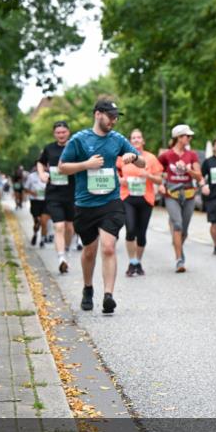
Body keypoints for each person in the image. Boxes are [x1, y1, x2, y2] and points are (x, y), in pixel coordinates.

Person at [56, 99, 144, 314]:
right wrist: (86, 165)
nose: (113, 120)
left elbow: (143, 163)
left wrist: (133, 158)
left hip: (110, 201)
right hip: (85, 203)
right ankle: (88, 289)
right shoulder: (79, 140)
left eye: (116, 116)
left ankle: (108, 296)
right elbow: (62, 167)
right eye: (110, 116)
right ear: (98, 114)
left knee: (108, 247)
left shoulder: (117, 139)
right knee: (89, 251)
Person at [117, 128, 163, 276]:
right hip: (127, 197)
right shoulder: (123, 157)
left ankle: (138, 262)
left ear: (143, 141)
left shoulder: (150, 158)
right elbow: (113, 172)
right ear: (130, 141)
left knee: (141, 233)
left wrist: (148, 175)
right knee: (130, 229)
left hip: (146, 198)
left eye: (139, 138)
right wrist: (120, 180)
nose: (136, 140)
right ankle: (132, 262)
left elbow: (160, 179)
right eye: (133, 138)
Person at [157, 125, 202, 273]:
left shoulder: (192, 155)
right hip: (172, 195)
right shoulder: (166, 155)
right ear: (179, 137)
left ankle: (178, 245)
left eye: (190, 136)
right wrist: (161, 184)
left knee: (184, 231)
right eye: (187, 136)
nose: (189, 138)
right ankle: (179, 260)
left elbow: (199, 175)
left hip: (189, 194)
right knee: (177, 225)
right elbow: (158, 171)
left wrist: (187, 169)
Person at [38, 120, 79, 273]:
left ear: (68, 132)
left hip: (72, 193)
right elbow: (40, 163)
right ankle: (61, 258)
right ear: (54, 134)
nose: (61, 135)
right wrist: (42, 173)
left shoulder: (75, 147)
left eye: (63, 132)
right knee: (58, 226)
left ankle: (66, 250)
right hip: (54, 193)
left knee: (69, 228)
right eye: (58, 133)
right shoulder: (49, 149)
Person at [24, 162, 50, 246]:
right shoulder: (31, 176)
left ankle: (42, 240)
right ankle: (35, 234)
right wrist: (32, 193)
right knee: (37, 221)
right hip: (35, 202)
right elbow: (26, 189)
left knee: (44, 222)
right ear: (35, 167)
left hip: (45, 201)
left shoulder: (48, 175)